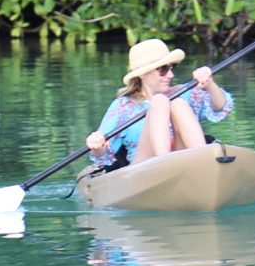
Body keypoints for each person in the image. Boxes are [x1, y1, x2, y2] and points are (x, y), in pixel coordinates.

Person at [86, 37, 232, 169]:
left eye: (170, 68)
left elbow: (220, 107)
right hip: (143, 168)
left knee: (177, 103)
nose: (170, 75)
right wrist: (97, 145)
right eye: (162, 69)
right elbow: (103, 154)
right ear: (142, 74)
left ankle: (204, 162)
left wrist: (210, 84)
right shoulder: (123, 106)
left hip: (184, 159)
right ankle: (164, 163)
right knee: (160, 101)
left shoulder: (183, 93)